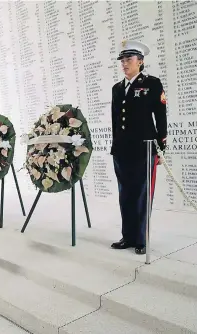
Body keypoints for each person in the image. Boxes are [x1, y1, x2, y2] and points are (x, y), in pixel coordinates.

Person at [110, 40, 167, 255]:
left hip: (145, 149)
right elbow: (116, 121)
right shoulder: (117, 88)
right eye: (122, 60)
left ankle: (142, 239)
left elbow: (161, 117)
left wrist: (161, 148)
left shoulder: (152, 84)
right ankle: (128, 236)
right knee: (125, 194)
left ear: (140, 62)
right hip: (122, 151)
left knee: (142, 196)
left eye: (129, 59)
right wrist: (115, 146)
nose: (124, 64)